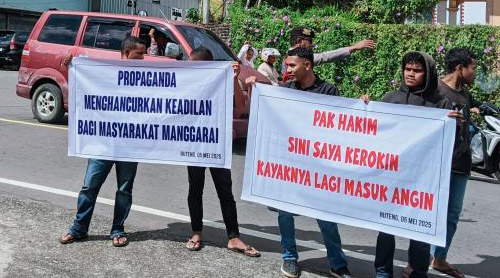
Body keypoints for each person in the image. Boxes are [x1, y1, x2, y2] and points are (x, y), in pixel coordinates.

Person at [362, 51, 458, 278]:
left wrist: (455, 125)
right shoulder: (390, 98)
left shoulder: (441, 103)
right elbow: (372, 131)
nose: (411, 74)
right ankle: (383, 271)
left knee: (421, 231)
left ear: (428, 73)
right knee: (385, 229)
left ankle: (418, 271)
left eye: (417, 70)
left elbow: (451, 144)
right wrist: (366, 107)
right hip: (391, 176)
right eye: (408, 69)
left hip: (423, 179)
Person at [60, 36, 147, 248]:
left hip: (130, 143)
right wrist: (69, 67)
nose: (143, 59)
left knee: (124, 190)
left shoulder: (146, 77)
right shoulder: (106, 72)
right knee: (90, 186)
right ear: (126, 53)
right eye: (139, 55)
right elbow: (83, 86)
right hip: (103, 141)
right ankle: (79, 228)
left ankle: (117, 229)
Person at [278, 47, 352, 278]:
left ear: (307, 66)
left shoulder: (329, 91)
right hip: (292, 164)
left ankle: (337, 263)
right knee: (285, 212)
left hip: (319, 166)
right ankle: (289, 257)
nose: (287, 69)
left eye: (292, 65)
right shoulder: (285, 89)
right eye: (287, 65)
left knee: (326, 216)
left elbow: (340, 124)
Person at [184, 47, 260, 256]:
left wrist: (235, 79)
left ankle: (233, 237)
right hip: (195, 143)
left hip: (217, 144)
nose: (192, 69)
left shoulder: (223, 80)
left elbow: (241, 105)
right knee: (195, 189)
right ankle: (196, 232)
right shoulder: (189, 83)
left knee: (225, 190)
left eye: (196, 65)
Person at [430, 48, 479, 278]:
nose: (475, 72)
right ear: (460, 68)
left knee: (452, 214)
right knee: (429, 212)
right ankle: (417, 261)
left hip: (460, 162)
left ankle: (439, 258)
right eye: (473, 67)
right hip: (438, 162)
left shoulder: (465, 93)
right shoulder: (436, 90)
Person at [289, 27, 374, 65]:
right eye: (310, 41)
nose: (312, 45)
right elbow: (326, 56)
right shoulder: (299, 58)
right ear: (299, 41)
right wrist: (354, 47)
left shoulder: (290, 56)